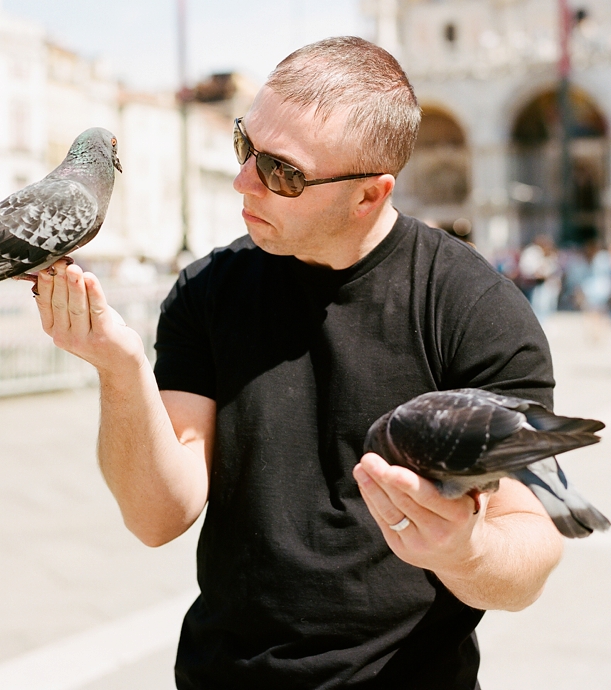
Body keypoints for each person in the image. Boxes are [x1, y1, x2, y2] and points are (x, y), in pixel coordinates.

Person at [34, 37, 562, 689]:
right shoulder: (209, 289)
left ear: (370, 195)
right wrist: (120, 370)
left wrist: (464, 548)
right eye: (243, 144)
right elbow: (157, 516)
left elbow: (530, 548)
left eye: (281, 172)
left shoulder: (474, 309)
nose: (243, 180)